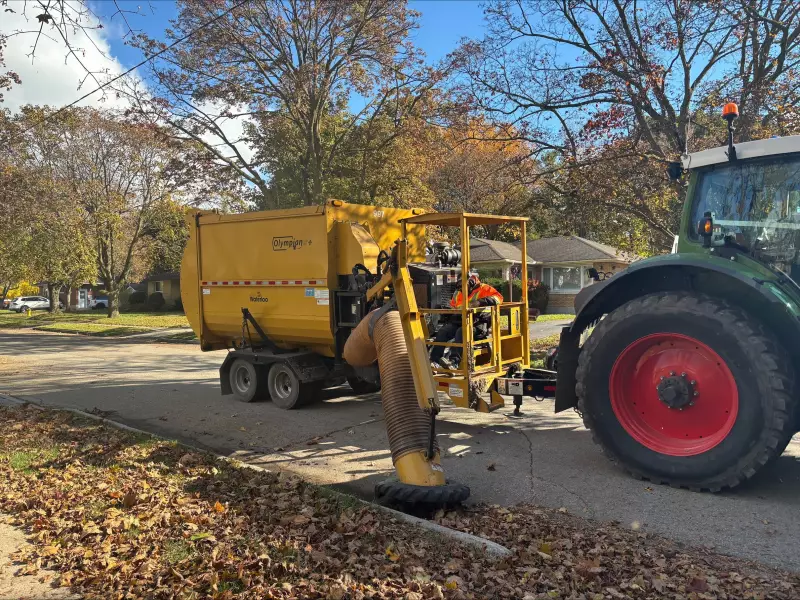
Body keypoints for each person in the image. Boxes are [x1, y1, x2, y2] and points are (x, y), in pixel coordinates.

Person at [430, 273, 503, 368]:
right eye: (459, 286)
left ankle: (453, 362)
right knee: (443, 332)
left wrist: (480, 302)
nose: (461, 289)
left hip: (478, 324)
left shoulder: (484, 289)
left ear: (471, 282)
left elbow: (499, 298)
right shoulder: (458, 292)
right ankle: (435, 361)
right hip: (460, 321)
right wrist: (448, 309)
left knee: (461, 332)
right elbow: (454, 305)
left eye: (463, 286)